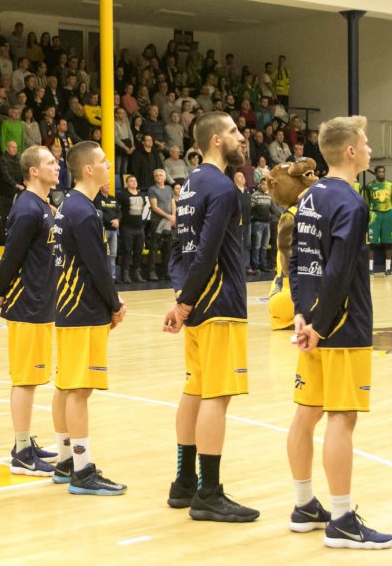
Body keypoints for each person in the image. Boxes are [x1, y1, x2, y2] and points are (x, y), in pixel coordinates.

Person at [286, 115, 392, 549]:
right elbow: (339, 271)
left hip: (312, 321)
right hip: (341, 325)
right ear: (350, 151)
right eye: (365, 143)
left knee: (306, 412)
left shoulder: (310, 196)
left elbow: (296, 259)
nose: (369, 149)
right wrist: (320, 323)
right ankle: (342, 519)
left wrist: (300, 312)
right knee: (341, 418)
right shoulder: (351, 202)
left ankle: (303, 506)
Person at [163, 111, 258, 522]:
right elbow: (207, 249)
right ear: (216, 140)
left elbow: (177, 249)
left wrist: (182, 295)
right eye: (234, 131)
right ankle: (209, 492)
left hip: (198, 301)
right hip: (220, 303)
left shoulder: (189, 186)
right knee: (216, 397)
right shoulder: (222, 187)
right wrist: (184, 302)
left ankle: (184, 483)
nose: (242, 137)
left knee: (195, 390)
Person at [49, 141, 127, 493]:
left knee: (66, 386)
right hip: (83, 308)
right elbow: (98, 266)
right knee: (79, 389)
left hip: (68, 305)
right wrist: (114, 303)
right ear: (88, 170)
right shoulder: (84, 211)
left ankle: (66, 460)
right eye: (103, 161)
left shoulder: (69, 205)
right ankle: (82, 470)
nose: (109, 165)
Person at [0, 145, 61, 476]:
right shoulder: (28, 208)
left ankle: (25, 441)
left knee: (32, 377)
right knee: (25, 379)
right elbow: (11, 256)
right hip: (26, 302)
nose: (57, 166)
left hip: (42, 300)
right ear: (33, 171)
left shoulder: (43, 205)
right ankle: (20, 452)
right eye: (50, 162)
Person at [363, 165, 392, 276]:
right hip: (374, 215)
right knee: (371, 242)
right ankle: (370, 269)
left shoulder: (390, 185)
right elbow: (366, 201)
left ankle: (388, 269)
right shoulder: (369, 186)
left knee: (388, 242)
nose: (381, 173)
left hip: (387, 215)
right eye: (379, 172)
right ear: (375, 173)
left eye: (383, 171)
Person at [148, 168, 176, 281]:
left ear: (165, 177)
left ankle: (166, 272)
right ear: (154, 178)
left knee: (168, 247)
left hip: (169, 221)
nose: (159, 177)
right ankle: (152, 272)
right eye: (157, 175)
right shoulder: (152, 189)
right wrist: (168, 216)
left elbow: (173, 203)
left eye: (161, 175)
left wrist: (173, 216)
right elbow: (154, 207)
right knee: (154, 247)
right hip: (157, 221)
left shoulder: (169, 189)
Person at [95, 183, 120, 280]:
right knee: (102, 253)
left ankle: (112, 276)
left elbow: (119, 212)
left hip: (114, 230)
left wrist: (117, 220)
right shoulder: (97, 199)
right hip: (103, 229)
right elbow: (99, 213)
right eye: (105, 185)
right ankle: (102, 276)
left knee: (113, 254)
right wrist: (110, 221)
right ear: (100, 187)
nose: (108, 187)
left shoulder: (113, 199)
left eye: (109, 185)